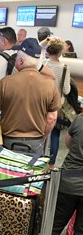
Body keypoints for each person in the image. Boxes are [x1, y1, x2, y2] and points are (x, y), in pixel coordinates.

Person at [0, 38, 61, 155]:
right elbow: (52, 119)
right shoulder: (50, 84)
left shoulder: (6, 82)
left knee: (4, 173)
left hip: (7, 142)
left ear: (20, 61)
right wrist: (42, 139)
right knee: (32, 174)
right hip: (36, 142)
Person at [49, 113, 83, 235]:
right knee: (82, 232)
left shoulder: (79, 119)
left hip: (68, 180)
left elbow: (68, 143)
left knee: (54, 224)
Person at [43, 37, 71, 167]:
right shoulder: (64, 67)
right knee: (55, 134)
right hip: (57, 105)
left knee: (41, 132)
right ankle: (51, 164)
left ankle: (37, 159)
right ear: (60, 52)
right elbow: (66, 90)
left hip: (42, 103)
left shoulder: (43, 64)